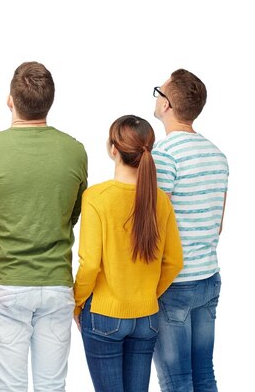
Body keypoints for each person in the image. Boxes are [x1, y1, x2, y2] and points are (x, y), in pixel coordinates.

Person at [0, 61, 88, 392]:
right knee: (52, 386)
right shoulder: (74, 151)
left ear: (10, 99)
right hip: (56, 283)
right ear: (50, 101)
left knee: (9, 387)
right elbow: (74, 211)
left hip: (5, 282)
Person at [73, 115, 184, 392]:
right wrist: (148, 294)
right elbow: (174, 261)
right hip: (146, 317)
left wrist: (76, 304)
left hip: (103, 316)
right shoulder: (160, 200)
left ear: (113, 149)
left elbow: (89, 265)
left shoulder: (96, 197)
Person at [151, 69, 229, 392]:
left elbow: (158, 226)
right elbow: (219, 225)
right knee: (204, 373)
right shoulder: (218, 155)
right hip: (209, 277)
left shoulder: (163, 156)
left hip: (175, 283)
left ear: (168, 105)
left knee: (176, 380)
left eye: (159, 91)